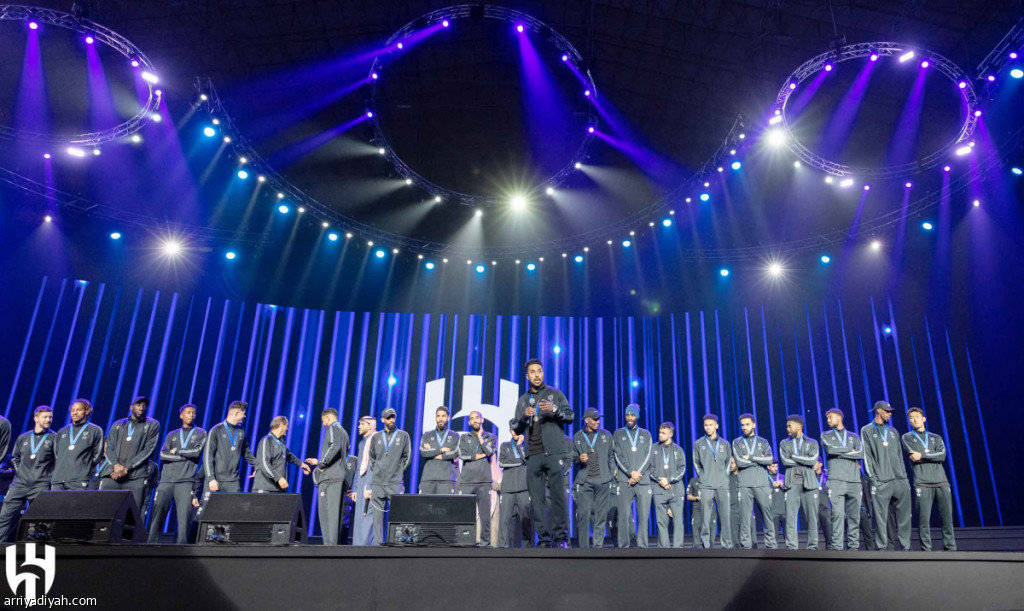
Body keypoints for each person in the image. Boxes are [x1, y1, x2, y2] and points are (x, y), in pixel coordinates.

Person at [512, 359, 574, 548]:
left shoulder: (554, 394)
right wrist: (525, 417)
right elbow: (515, 427)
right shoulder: (523, 400)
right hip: (533, 454)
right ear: (527, 376)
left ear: (543, 373)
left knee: (558, 497)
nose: (537, 374)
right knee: (536, 500)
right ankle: (544, 539)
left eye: (539, 371)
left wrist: (554, 410)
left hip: (554, 453)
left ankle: (561, 538)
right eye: (532, 372)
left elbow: (570, 416)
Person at [148, 404, 206, 543]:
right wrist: (184, 457)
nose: (191, 414)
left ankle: (182, 547)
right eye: (188, 412)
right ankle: (151, 544)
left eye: (193, 412)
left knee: (184, 518)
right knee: (157, 514)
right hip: (166, 481)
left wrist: (177, 451)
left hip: (185, 481)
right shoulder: (172, 434)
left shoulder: (201, 433)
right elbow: (163, 455)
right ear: (181, 415)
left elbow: (196, 452)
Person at [902, 407, 956, 551]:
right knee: (924, 520)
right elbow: (914, 457)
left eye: (917, 417)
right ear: (909, 421)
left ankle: (950, 549)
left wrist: (923, 455)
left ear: (924, 419)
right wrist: (930, 455)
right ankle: (926, 550)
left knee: (947, 519)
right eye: (911, 418)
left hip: (942, 482)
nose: (914, 420)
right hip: (922, 482)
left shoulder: (936, 437)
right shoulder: (907, 437)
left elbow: (942, 455)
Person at [860, 400, 912, 550]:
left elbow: (900, 456)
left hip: (899, 479)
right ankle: (882, 547)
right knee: (881, 517)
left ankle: (906, 547)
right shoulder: (867, 430)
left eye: (890, 412)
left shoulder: (893, 431)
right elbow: (867, 456)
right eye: (887, 411)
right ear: (878, 411)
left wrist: (904, 478)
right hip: (881, 481)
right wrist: (873, 479)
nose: (889, 414)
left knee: (904, 516)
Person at [0, 406, 57, 541]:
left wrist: (48, 477)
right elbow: (15, 458)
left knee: (38, 520)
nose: (48, 420)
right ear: (36, 418)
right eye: (45, 417)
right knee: (4, 517)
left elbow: (57, 460)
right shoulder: (23, 438)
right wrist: (20, 471)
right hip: (19, 484)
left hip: (41, 484)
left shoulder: (55, 438)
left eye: (50, 417)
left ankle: (35, 548)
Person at [99, 396, 160, 510]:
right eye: (138, 405)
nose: (141, 408)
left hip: (136, 477)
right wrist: (115, 465)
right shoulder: (118, 424)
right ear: (131, 407)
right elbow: (109, 447)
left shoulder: (152, 424)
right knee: (103, 510)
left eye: (144, 406)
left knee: (132, 513)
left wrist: (126, 468)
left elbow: (149, 449)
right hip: (112, 474)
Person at [199, 400, 258, 517]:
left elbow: (246, 452)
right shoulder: (216, 430)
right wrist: (211, 479)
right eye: (243, 413)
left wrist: (257, 466)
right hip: (216, 480)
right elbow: (207, 456)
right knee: (207, 514)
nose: (245, 416)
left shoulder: (240, 431)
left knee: (233, 514)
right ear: (236, 413)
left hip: (233, 481)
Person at [820, 408, 864, 550]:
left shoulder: (853, 436)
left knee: (854, 516)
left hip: (854, 481)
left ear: (839, 417)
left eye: (830, 417)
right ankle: (837, 548)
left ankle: (853, 547)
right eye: (827, 418)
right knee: (837, 515)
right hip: (836, 480)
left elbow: (861, 453)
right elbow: (830, 450)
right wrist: (849, 451)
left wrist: (840, 451)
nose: (828, 420)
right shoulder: (825, 435)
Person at [732, 413, 777, 550]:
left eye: (747, 424)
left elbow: (769, 460)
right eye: (742, 425)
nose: (744, 427)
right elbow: (739, 462)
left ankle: (771, 545)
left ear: (754, 425)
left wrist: (751, 457)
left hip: (762, 484)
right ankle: (746, 546)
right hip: (744, 485)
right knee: (744, 518)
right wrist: (759, 458)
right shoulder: (737, 442)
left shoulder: (763, 442)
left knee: (767, 516)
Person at [571, 408, 614, 549]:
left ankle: (597, 548)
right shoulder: (578, 436)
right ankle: (584, 549)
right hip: (585, 481)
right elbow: (572, 457)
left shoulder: (606, 435)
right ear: (586, 420)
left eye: (598, 419)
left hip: (603, 480)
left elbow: (611, 456)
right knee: (583, 515)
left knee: (600, 516)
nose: (598, 422)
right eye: (595, 419)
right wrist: (579, 459)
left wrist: (611, 473)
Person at [305, 408, 349, 546]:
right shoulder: (344, 432)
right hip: (338, 476)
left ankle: (329, 548)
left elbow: (335, 446)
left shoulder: (332, 428)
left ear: (328, 418)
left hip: (330, 478)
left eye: (324, 421)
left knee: (327, 516)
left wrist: (321, 463)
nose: (323, 424)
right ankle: (332, 548)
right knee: (334, 516)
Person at [612, 403, 653, 548]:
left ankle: (642, 546)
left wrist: (638, 473)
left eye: (632, 415)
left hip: (643, 481)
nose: (629, 417)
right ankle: (623, 546)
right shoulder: (618, 434)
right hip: (625, 480)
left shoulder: (646, 434)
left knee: (643, 516)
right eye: (627, 415)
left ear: (637, 416)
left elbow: (649, 456)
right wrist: (630, 472)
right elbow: (617, 455)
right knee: (623, 516)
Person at [368, 408, 411, 545]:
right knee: (376, 519)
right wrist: (378, 471)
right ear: (382, 420)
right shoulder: (376, 437)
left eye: (393, 417)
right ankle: (378, 546)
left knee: (398, 516)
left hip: (395, 483)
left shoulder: (403, 436)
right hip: (378, 483)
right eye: (388, 418)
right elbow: (372, 458)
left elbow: (407, 458)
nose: (391, 420)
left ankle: (396, 545)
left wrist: (398, 472)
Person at [779, 414, 821, 550]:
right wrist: (804, 460)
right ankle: (791, 547)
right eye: (787, 426)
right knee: (790, 518)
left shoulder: (812, 442)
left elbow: (813, 460)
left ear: (798, 427)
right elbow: (785, 461)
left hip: (809, 484)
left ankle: (812, 547)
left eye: (789, 426)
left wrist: (794, 456)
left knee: (812, 518)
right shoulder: (784, 443)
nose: (787, 429)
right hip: (792, 484)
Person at [693, 413, 733, 549]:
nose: (708, 427)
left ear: (717, 426)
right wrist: (702, 477)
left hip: (722, 485)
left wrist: (725, 476)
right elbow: (696, 462)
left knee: (725, 516)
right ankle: (706, 544)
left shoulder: (725, 444)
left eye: (710, 425)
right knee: (705, 517)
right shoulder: (699, 443)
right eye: (706, 425)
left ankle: (727, 544)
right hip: (706, 485)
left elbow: (728, 462)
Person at [457, 411, 496, 547]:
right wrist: (481, 455)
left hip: (484, 481)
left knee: (485, 516)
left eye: (477, 418)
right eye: (471, 418)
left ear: (482, 419)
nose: (474, 420)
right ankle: (465, 542)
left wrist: (480, 438)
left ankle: (485, 543)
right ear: (469, 422)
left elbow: (490, 452)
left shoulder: (491, 436)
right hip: (467, 481)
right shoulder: (464, 437)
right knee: (465, 514)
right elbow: (463, 455)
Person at [51, 398, 104, 491]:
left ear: (87, 411)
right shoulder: (62, 431)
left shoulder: (95, 430)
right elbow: (56, 454)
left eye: (78, 410)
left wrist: (82, 467)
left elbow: (97, 456)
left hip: (79, 480)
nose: (74, 413)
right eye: (72, 410)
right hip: (58, 480)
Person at [651, 422, 687, 548]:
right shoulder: (653, 448)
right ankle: (663, 549)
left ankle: (678, 548)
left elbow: (682, 469)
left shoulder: (678, 450)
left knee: (678, 521)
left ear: (671, 434)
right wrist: (660, 480)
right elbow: (649, 468)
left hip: (676, 490)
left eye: (663, 433)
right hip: (659, 490)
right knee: (661, 522)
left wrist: (669, 480)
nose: (660, 435)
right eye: (659, 432)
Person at [497, 419, 532, 548]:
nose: (515, 432)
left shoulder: (528, 445)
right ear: (510, 431)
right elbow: (501, 463)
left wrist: (520, 447)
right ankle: (502, 546)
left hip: (524, 488)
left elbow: (528, 461)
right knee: (504, 520)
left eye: (517, 430)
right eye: (513, 430)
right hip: (507, 489)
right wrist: (519, 462)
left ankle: (528, 548)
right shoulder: (504, 446)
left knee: (526, 520)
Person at [350, 415, 377, 546]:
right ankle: (358, 549)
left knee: (368, 516)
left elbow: (378, 466)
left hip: (372, 480)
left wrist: (371, 485)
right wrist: (355, 488)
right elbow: (359, 466)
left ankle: (368, 549)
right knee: (359, 517)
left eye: (362, 424)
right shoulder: (361, 443)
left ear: (370, 426)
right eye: (359, 423)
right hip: (361, 481)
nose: (359, 426)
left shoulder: (377, 440)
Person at [419, 406, 459, 495]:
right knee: (424, 504)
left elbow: (455, 453)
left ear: (448, 418)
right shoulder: (427, 435)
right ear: (435, 417)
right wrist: (441, 450)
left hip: (447, 479)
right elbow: (423, 452)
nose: (440, 419)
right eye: (438, 416)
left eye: (443, 416)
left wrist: (432, 452)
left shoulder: (454, 436)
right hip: (428, 479)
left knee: (445, 504)